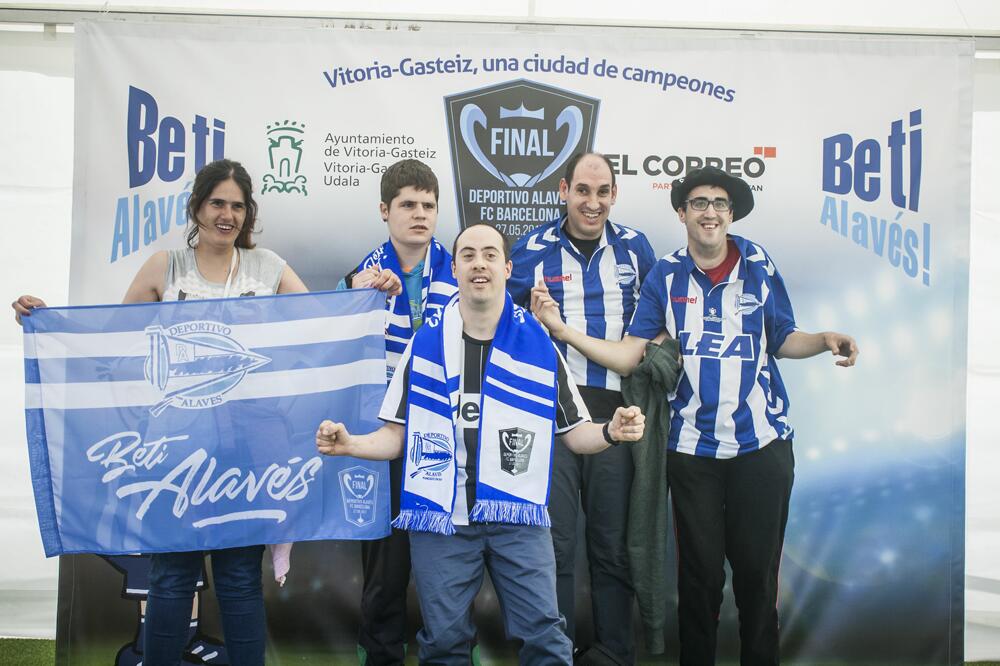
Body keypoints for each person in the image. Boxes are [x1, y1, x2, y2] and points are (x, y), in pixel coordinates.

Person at [531, 166, 859, 666]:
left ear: (731, 214)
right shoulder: (665, 274)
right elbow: (629, 355)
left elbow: (784, 338)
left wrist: (823, 341)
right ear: (681, 213)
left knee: (756, 577)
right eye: (699, 203)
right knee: (700, 579)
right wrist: (561, 328)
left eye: (720, 203)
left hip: (762, 447)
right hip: (692, 453)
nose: (710, 211)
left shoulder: (757, 263)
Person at [14, 158, 309, 666]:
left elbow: (321, 324)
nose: (227, 214)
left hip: (249, 452)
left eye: (238, 206)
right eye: (217, 202)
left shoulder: (268, 267)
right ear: (196, 207)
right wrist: (46, 320)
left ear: (248, 214)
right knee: (173, 576)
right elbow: (115, 341)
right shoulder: (164, 267)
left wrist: (367, 294)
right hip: (178, 449)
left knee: (239, 578)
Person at [316, 223, 647, 665]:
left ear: (507, 268)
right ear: (454, 268)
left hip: (519, 519)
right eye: (468, 255)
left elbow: (575, 434)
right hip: (442, 521)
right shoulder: (425, 343)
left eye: (490, 255)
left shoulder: (540, 346)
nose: (479, 264)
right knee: (444, 643)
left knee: (546, 640)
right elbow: (397, 435)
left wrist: (611, 432)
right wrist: (350, 445)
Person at [508, 152, 656, 663]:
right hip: (551, 412)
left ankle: (615, 652)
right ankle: (557, 650)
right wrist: (530, 321)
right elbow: (498, 320)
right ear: (564, 190)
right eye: (583, 191)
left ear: (614, 194)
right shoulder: (531, 250)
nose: (592, 203)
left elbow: (658, 326)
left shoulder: (636, 248)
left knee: (612, 543)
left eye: (603, 192)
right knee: (557, 542)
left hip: (615, 410)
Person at [336, 159, 457, 665]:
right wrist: (351, 293)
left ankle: (451, 652)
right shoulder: (362, 275)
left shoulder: (460, 269)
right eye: (408, 204)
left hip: (445, 437)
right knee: (385, 568)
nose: (420, 214)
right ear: (385, 211)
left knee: (446, 567)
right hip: (384, 434)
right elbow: (326, 342)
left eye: (428, 205)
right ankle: (381, 655)